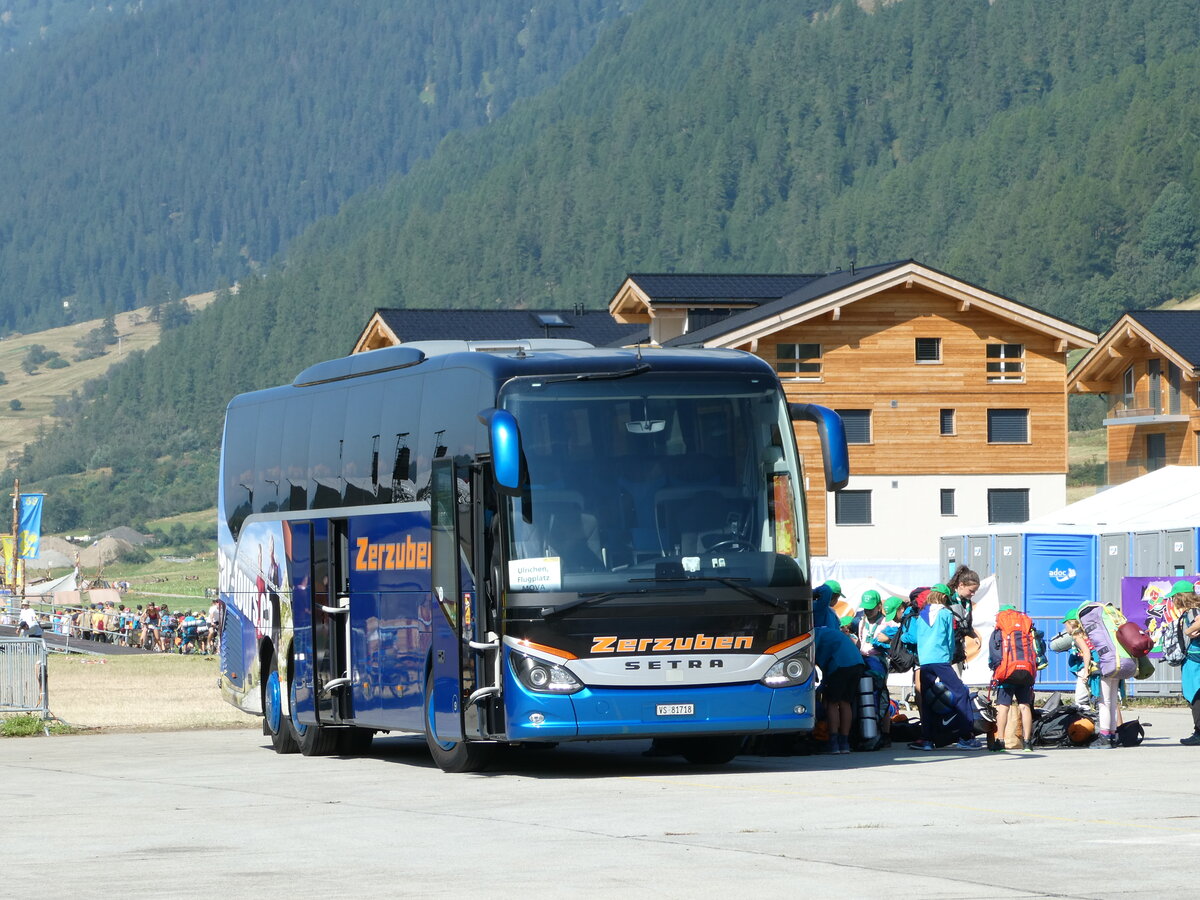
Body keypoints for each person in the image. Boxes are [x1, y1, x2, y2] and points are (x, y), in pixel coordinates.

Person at [903, 583, 984, 751]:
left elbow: (918, 638)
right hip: (941, 659)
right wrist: (948, 658)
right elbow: (949, 639)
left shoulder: (921, 615)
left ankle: (926, 739)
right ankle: (965, 737)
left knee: (926, 699)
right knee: (961, 693)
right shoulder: (946, 613)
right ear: (945, 597)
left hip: (925, 661)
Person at [988, 604, 1036, 753]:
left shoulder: (999, 630)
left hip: (1007, 672)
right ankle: (1027, 743)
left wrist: (995, 668)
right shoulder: (1026, 627)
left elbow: (994, 653)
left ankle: (1000, 741)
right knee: (1024, 705)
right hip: (1026, 671)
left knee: (1004, 707)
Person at [814, 622, 866, 754]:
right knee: (845, 702)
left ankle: (833, 743)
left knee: (832, 703)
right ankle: (845, 743)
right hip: (858, 663)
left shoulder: (812, 636)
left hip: (840, 665)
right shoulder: (828, 631)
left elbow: (812, 659)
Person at [1165, 581, 1200, 746]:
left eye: (1173, 597)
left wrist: (1187, 631)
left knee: (1195, 695)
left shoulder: (1193, 611)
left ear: (1180, 597)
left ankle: (1199, 732)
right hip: (1194, 659)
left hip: (1195, 660)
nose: (1172, 601)